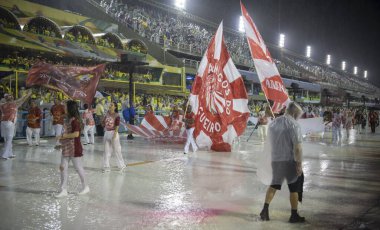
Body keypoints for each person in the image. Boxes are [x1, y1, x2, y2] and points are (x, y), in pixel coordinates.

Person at [259, 102, 305, 223]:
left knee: (273, 185)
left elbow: (269, 143)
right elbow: (298, 148)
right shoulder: (294, 125)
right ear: (294, 113)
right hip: (290, 162)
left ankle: (265, 210)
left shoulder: (274, 123)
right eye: (299, 115)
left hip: (276, 160)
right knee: (294, 188)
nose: (299, 117)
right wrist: (299, 164)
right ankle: (294, 215)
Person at [55, 100, 89, 198]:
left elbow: (76, 134)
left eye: (65, 107)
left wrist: (62, 136)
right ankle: (63, 189)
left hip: (75, 148)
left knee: (78, 168)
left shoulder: (75, 120)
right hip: (66, 147)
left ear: (70, 108)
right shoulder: (67, 119)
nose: (64, 108)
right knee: (62, 167)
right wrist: (61, 144)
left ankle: (85, 186)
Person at [0, 90, 32, 160]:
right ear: (12, 99)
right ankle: (5, 155)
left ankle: (10, 153)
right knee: (9, 139)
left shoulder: (2, 105)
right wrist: (28, 94)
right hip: (10, 122)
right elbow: (22, 99)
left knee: (7, 139)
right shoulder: (15, 104)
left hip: (2, 123)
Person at [102, 102, 126, 172]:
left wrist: (115, 134)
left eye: (111, 105)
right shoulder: (106, 114)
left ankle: (121, 165)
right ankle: (106, 166)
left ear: (115, 107)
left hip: (113, 133)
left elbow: (117, 125)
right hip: (107, 133)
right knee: (106, 151)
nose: (110, 105)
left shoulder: (117, 115)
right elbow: (103, 123)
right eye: (110, 104)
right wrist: (103, 121)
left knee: (117, 150)